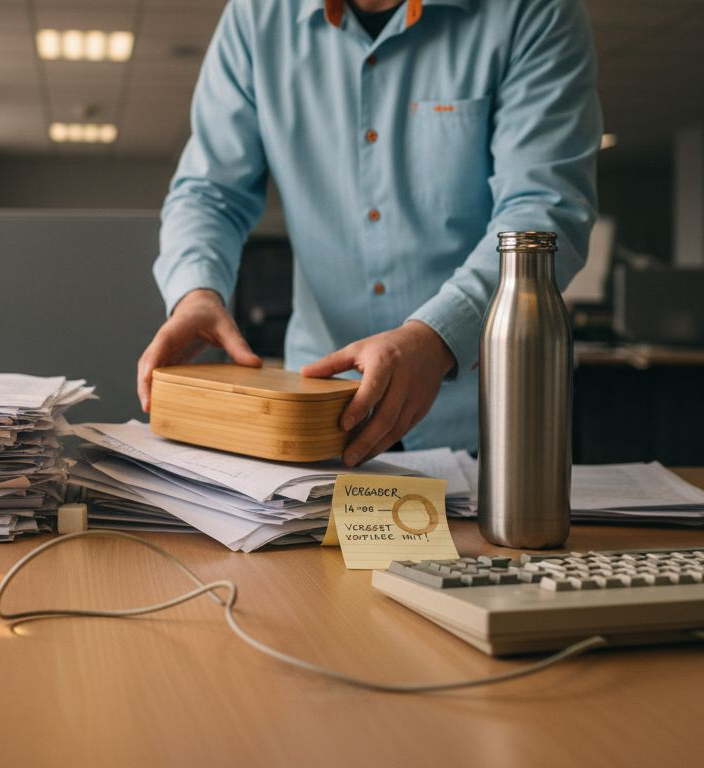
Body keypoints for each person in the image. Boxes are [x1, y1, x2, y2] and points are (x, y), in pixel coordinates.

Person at [136, 0, 599, 466]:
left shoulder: (532, 11)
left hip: (490, 419)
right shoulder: (257, 15)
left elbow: (543, 209)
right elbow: (210, 192)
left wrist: (439, 336)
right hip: (320, 419)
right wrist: (195, 292)